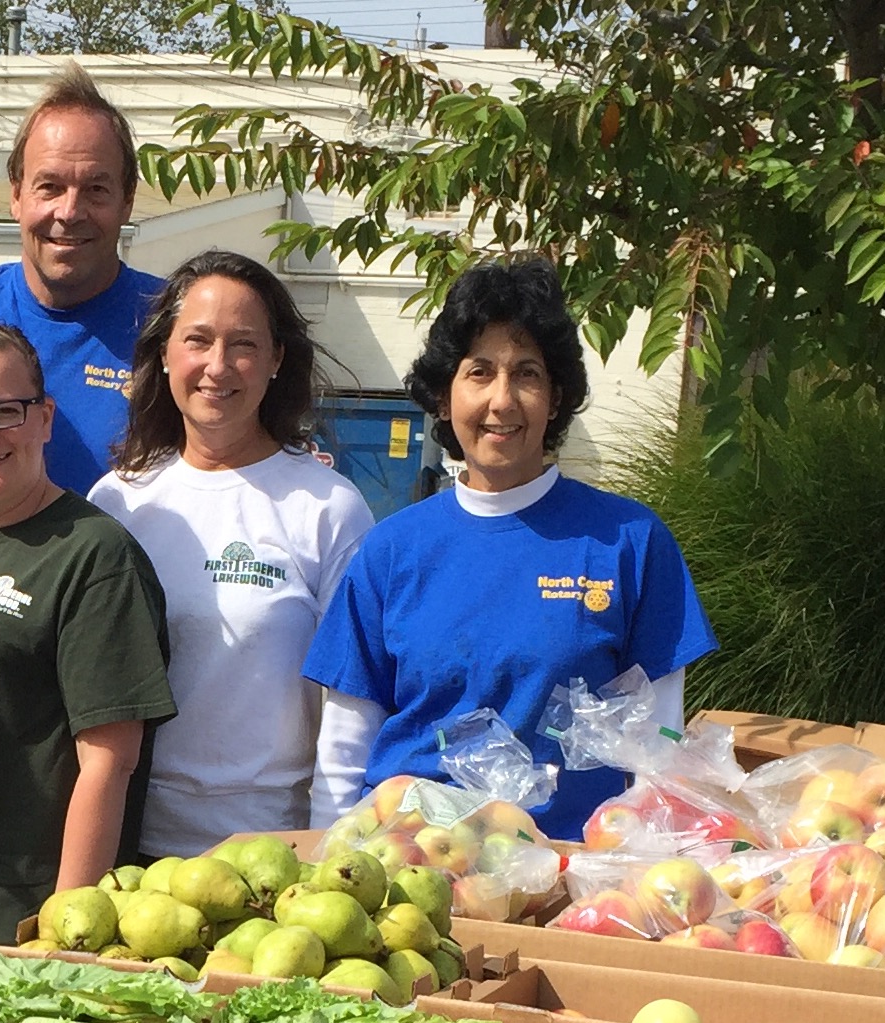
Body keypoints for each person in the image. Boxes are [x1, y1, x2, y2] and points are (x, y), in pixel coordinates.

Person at [304, 257, 715, 841]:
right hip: (407, 876)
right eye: (479, 372)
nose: (502, 400)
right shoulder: (390, 550)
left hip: (567, 872)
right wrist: (332, 863)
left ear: (555, 399)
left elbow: (660, 745)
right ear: (444, 398)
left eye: (527, 373)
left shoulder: (629, 541)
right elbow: (344, 747)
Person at [0, 322, 174, 955]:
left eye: (5, 412)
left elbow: (110, 761)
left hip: (21, 928)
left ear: (45, 417)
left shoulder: (96, 556)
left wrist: (61, 940)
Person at [90, 250, 373, 856]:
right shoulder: (117, 502)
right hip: (134, 845)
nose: (218, 366)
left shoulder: (328, 507)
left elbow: (351, 706)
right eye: (198, 340)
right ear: (164, 353)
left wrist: (328, 845)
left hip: (275, 852)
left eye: (243, 344)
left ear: (276, 360)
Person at [0, 71, 164, 497]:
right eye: (49, 187)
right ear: (16, 196)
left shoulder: (174, 326)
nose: (70, 212)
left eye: (96, 189)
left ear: (127, 201)